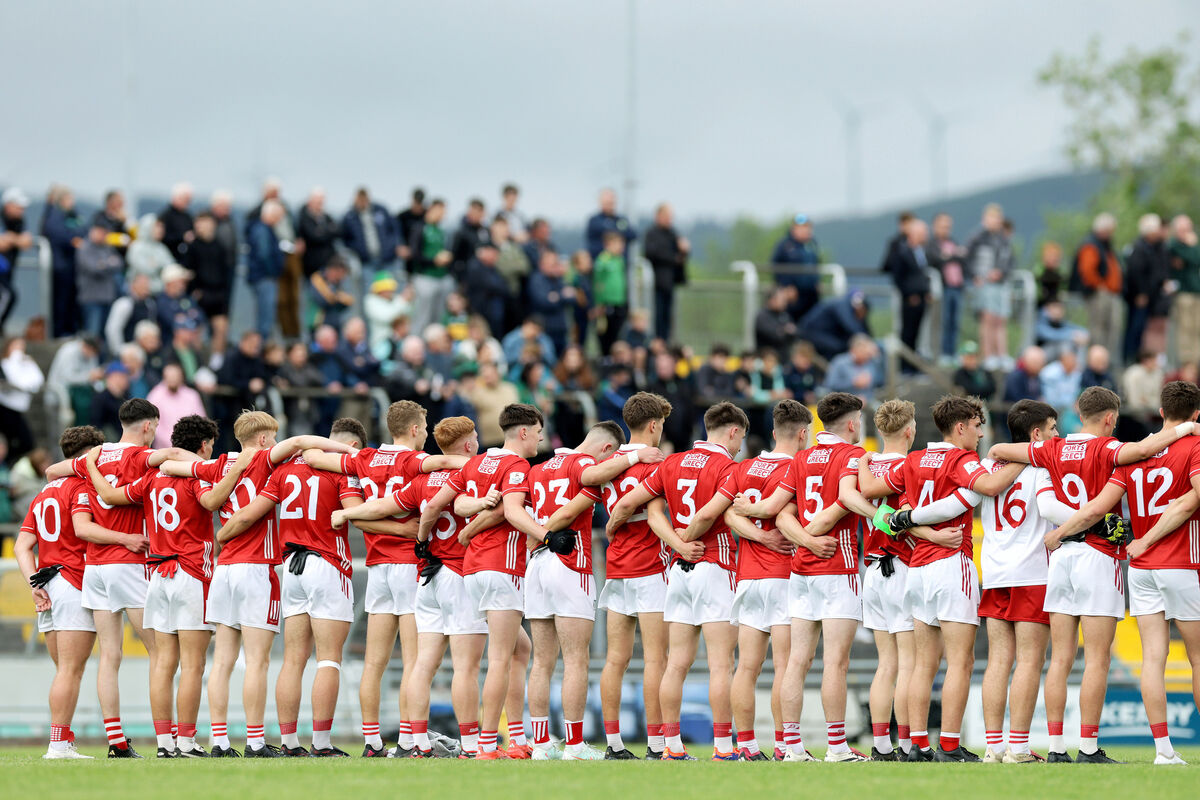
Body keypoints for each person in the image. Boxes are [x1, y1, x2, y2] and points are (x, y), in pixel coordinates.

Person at [988, 386, 1197, 763]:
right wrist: (1184, 431)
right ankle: (1087, 746)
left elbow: (1002, 450)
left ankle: (1055, 747)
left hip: (1062, 559)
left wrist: (996, 451)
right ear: (1109, 419)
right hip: (1099, 556)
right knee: (1097, 658)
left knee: (1060, 658)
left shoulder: (1052, 448)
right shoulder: (1108, 449)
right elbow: (1143, 451)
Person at [160, 411, 354, 757]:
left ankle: (218, 741)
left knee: (221, 661)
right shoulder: (266, 460)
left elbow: (170, 466)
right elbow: (297, 443)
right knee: (257, 661)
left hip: (223, 570)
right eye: (273, 437)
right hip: (256, 567)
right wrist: (345, 452)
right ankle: (254, 740)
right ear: (263, 439)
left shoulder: (220, 465)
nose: (278, 443)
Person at [301, 401, 467, 756]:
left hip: (377, 565)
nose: (425, 433)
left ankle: (373, 742)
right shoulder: (413, 461)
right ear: (412, 429)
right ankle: (410, 740)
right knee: (414, 660)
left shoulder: (365, 458)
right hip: (409, 565)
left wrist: (344, 449)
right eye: (423, 426)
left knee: (374, 663)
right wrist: (482, 464)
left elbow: (314, 457)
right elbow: (439, 462)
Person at [867, 395, 1024, 761]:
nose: (981, 434)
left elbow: (873, 492)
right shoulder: (961, 458)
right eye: (977, 426)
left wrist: (863, 464)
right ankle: (950, 745)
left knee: (923, 663)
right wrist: (1024, 457)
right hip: (952, 563)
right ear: (961, 426)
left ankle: (919, 744)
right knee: (960, 661)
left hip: (916, 568)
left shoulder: (915, 459)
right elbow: (988, 487)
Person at [331, 416, 497, 758]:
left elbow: (380, 505)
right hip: (447, 570)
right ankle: (459, 744)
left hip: (413, 573)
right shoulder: (450, 470)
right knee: (452, 665)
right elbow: (459, 502)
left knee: (399, 664)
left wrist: (347, 515)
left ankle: (396, 742)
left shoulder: (416, 478)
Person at [83, 415, 247, 758]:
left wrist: (91, 467)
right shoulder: (197, 474)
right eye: (211, 446)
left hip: (158, 574)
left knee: (162, 663)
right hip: (189, 572)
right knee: (192, 664)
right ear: (203, 445)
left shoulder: (150, 477)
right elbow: (211, 501)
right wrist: (233, 471)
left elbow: (110, 495)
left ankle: (163, 743)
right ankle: (186, 741)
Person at [216, 419, 368, 757]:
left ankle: (288, 741)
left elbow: (249, 514)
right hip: (327, 564)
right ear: (351, 447)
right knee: (329, 659)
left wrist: (222, 536)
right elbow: (357, 514)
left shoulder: (285, 471)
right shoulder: (343, 471)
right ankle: (323, 743)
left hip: (292, 567)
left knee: (294, 659)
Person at [606, 402, 749, 760]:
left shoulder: (672, 462)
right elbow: (708, 514)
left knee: (675, 664)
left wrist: (675, 545)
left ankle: (670, 746)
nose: (740, 446)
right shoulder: (728, 467)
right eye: (741, 439)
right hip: (713, 562)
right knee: (721, 664)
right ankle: (723, 748)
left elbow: (638, 507)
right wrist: (689, 541)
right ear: (732, 432)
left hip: (677, 570)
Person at [735, 393, 870, 762]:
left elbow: (778, 514)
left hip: (799, 569)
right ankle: (838, 747)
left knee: (796, 661)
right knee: (835, 663)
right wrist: (880, 515)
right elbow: (847, 499)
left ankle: (791, 746)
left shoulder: (802, 458)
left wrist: (803, 538)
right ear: (853, 423)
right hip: (837, 564)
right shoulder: (852, 456)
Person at [416, 403, 550, 758]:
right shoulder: (517, 465)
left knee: (520, 649)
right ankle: (488, 744)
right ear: (523, 432)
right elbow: (512, 511)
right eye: (537, 432)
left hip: (472, 569)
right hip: (500, 566)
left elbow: (453, 505)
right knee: (500, 659)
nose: (540, 438)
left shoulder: (477, 463)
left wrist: (473, 508)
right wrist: (546, 536)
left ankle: (517, 738)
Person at [684, 400, 811, 761]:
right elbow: (774, 514)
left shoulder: (745, 466)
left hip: (747, 578)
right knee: (786, 666)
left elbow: (728, 514)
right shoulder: (798, 468)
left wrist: (755, 537)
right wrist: (771, 537)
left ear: (773, 433)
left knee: (747, 668)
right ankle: (787, 746)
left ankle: (748, 747)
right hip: (784, 576)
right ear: (803, 434)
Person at [525, 422, 645, 760]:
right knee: (576, 659)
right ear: (607, 451)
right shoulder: (584, 466)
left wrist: (541, 534)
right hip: (570, 561)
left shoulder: (540, 468)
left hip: (537, 562)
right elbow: (587, 487)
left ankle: (540, 744)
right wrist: (635, 456)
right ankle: (574, 746)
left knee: (541, 661)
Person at [977, 401, 1070, 763]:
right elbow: (1049, 510)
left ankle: (993, 747)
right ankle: (1018, 747)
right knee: (1030, 661)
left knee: (999, 660)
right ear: (1036, 434)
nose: (1057, 435)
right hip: (1032, 573)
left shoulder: (989, 466)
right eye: (1052, 428)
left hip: (995, 572)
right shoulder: (1043, 467)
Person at [587, 393, 673, 759]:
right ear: (654, 425)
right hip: (650, 567)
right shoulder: (654, 462)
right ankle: (657, 744)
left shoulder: (609, 461)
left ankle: (614, 744)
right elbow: (652, 514)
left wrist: (615, 521)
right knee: (656, 659)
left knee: (615, 659)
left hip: (617, 566)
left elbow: (603, 493)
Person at [13, 425, 107, 758]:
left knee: (64, 670)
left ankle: (63, 740)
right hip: (73, 581)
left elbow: (22, 546)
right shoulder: (84, 486)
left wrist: (33, 584)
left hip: (49, 582)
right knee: (71, 670)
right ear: (90, 454)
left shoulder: (44, 492)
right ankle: (57, 744)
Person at [965, 204, 1015, 371]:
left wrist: (1001, 272)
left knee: (1001, 320)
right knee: (988, 319)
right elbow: (967, 258)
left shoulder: (1003, 239)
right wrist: (975, 275)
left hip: (1000, 284)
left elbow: (1010, 261)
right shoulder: (977, 237)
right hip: (985, 284)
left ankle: (1002, 354)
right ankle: (988, 355)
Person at [1071, 213, 1123, 362]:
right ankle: (1096, 360)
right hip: (1099, 294)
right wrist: (1100, 286)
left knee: (1111, 331)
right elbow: (1087, 271)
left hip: (1110, 293)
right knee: (1098, 331)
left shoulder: (1105, 246)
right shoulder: (1091, 245)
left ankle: (1105, 361)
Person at [1123, 213, 1171, 361]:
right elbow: (1136, 273)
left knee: (1143, 331)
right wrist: (1141, 293)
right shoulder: (1139, 248)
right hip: (1140, 297)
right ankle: (1130, 358)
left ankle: (1140, 358)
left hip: (1151, 297)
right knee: (1135, 330)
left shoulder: (1155, 248)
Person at [186, 213, 233, 359]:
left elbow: (226, 272)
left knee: (221, 329)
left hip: (218, 293)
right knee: (196, 331)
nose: (201, 226)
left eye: (204, 222)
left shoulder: (220, 246)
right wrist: (193, 291)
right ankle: (198, 362)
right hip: (201, 293)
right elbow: (188, 270)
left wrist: (225, 293)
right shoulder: (193, 247)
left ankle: (216, 363)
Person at [888, 219, 932, 367]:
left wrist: (927, 292)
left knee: (917, 333)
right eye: (922, 232)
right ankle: (905, 365)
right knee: (907, 333)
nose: (925, 235)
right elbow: (897, 277)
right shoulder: (902, 252)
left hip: (922, 298)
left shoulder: (921, 252)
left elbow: (923, 274)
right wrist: (908, 295)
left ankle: (914, 363)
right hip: (910, 299)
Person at [407, 199, 455, 335]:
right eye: (440, 211)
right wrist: (433, 261)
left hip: (441, 277)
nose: (442, 215)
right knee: (422, 316)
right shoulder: (420, 228)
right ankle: (416, 343)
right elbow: (414, 254)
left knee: (439, 316)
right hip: (425, 277)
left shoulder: (441, 230)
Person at [42, 185, 84, 338]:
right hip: (60, 266)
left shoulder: (71, 215)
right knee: (60, 302)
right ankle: (58, 333)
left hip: (71, 266)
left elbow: (82, 229)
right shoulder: (54, 215)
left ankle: (69, 331)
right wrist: (72, 239)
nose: (72, 202)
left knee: (71, 302)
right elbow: (57, 233)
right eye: (69, 199)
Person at [643, 203, 689, 340]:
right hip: (656, 283)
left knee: (668, 317)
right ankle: (657, 341)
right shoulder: (652, 233)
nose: (670, 220)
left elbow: (681, 256)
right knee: (657, 316)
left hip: (670, 282)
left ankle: (666, 341)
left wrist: (684, 250)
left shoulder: (673, 233)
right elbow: (651, 253)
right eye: (667, 216)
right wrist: (673, 258)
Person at [928, 213, 967, 364]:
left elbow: (961, 258)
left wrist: (950, 256)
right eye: (943, 226)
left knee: (954, 322)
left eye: (948, 226)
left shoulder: (952, 242)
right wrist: (954, 256)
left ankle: (952, 352)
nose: (946, 229)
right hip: (942, 288)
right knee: (943, 321)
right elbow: (936, 259)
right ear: (935, 226)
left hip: (956, 286)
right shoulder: (932, 244)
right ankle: (942, 353)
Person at [75, 222, 124, 337]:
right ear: (93, 231)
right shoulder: (85, 248)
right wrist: (109, 263)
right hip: (91, 298)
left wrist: (103, 264)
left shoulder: (107, 247)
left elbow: (119, 263)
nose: (103, 235)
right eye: (101, 232)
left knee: (106, 334)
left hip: (108, 298)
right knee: (92, 334)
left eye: (105, 233)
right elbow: (94, 268)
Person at [0, 337, 44, 462]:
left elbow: (37, 381)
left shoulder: (26, 362)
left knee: (25, 443)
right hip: (5, 407)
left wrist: (27, 364)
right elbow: (15, 381)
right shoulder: (5, 363)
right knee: (17, 441)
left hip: (19, 408)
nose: (19, 349)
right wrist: (16, 361)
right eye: (16, 346)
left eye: (21, 346)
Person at [246, 201, 285, 339]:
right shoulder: (262, 230)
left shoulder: (265, 229)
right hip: (264, 277)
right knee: (265, 319)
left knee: (266, 317)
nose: (280, 219)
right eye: (279, 216)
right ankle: (261, 348)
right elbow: (264, 254)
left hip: (263, 276)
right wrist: (273, 271)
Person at [527, 250, 575, 358]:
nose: (555, 266)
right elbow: (544, 301)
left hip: (561, 328)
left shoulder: (558, 279)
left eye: (556, 263)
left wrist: (557, 296)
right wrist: (562, 295)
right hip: (545, 329)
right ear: (542, 264)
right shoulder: (537, 279)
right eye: (552, 263)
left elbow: (572, 298)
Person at [797, 290, 870, 362]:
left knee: (843, 344)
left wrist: (869, 341)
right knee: (842, 347)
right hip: (810, 331)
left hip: (823, 333)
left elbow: (864, 329)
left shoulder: (854, 310)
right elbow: (850, 325)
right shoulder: (842, 304)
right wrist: (868, 342)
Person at [146, 364, 206, 448]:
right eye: (170, 376)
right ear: (164, 377)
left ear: (181, 377)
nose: (173, 379)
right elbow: (153, 424)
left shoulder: (192, 395)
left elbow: (201, 420)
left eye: (175, 376)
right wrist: (173, 442)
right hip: (164, 450)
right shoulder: (155, 396)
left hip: (191, 447)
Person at [0, 187, 34, 331]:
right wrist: (15, 239)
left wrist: (11, 238)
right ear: (8, 205)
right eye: (19, 207)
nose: (22, 211)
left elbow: (27, 242)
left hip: (7, 270)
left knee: (9, 296)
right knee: (8, 295)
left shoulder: (19, 221)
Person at [1168, 214, 1200, 366]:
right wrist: (1193, 246)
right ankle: (1186, 362)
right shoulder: (1173, 245)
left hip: (1196, 292)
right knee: (1185, 329)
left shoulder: (1190, 246)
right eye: (1183, 229)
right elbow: (1194, 258)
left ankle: (1196, 361)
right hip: (1183, 293)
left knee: (1196, 328)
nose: (1186, 233)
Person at [593, 231, 629, 355]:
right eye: (617, 243)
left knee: (618, 334)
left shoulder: (620, 260)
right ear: (608, 244)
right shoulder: (603, 260)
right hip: (606, 303)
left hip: (620, 301)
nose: (621, 247)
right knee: (606, 335)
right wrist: (599, 303)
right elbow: (598, 283)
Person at [823, 334, 883, 403]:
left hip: (867, 403)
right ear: (854, 350)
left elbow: (878, 384)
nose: (867, 356)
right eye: (864, 352)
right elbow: (829, 385)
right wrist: (853, 383)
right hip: (843, 404)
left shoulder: (870, 363)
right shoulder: (839, 362)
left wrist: (866, 398)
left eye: (868, 353)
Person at [297, 188, 340, 279]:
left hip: (327, 262)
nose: (320, 205)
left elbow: (337, 231)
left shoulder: (325, 216)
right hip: (311, 264)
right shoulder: (304, 217)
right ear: (310, 201)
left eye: (322, 202)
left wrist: (322, 231)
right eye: (318, 202)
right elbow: (314, 236)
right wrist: (328, 231)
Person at [307, 255, 356, 331]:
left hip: (335, 323)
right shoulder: (317, 278)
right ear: (332, 270)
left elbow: (349, 300)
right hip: (317, 324)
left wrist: (337, 297)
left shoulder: (338, 283)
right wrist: (338, 297)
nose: (341, 277)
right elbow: (325, 300)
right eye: (340, 273)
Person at [585, 188, 636, 261]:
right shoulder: (594, 220)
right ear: (601, 203)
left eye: (612, 203)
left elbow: (632, 235)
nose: (610, 205)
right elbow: (606, 232)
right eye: (607, 203)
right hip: (601, 266)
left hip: (621, 264)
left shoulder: (621, 219)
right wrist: (619, 230)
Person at [126, 216, 174, 291]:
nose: (160, 230)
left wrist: (155, 264)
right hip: (138, 291)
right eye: (157, 226)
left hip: (161, 290)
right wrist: (159, 266)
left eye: (161, 227)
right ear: (147, 227)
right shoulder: (136, 247)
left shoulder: (161, 248)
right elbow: (145, 269)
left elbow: (170, 267)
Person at [450, 199, 492, 283]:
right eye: (473, 211)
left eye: (478, 211)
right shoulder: (461, 232)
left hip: (485, 276)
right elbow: (454, 258)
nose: (474, 214)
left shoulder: (486, 231)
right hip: (466, 276)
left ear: (483, 213)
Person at [755, 287, 798, 355]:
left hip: (784, 359)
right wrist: (785, 331)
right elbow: (774, 335)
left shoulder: (784, 315)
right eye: (782, 299)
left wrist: (786, 331)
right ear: (772, 299)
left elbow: (795, 333)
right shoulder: (762, 316)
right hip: (766, 359)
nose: (785, 302)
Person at [1040, 347, 1083, 414]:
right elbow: (1051, 399)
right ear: (1062, 360)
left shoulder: (1076, 374)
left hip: (1069, 410)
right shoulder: (1050, 373)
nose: (1074, 363)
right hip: (1050, 409)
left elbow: (1075, 393)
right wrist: (1071, 404)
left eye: (1074, 361)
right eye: (1071, 361)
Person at [158, 183, 194, 261]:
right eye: (185, 199)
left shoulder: (188, 216)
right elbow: (162, 237)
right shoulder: (165, 216)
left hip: (185, 257)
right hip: (168, 255)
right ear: (176, 197)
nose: (188, 203)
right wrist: (182, 237)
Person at [395, 188, 426, 262]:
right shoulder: (403, 216)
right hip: (404, 251)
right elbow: (396, 233)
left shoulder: (426, 215)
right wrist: (400, 245)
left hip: (420, 253)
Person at [1036, 241, 1065, 308]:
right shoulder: (1039, 272)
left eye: (1056, 258)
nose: (1054, 260)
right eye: (1052, 257)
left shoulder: (1060, 273)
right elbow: (1038, 294)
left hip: (1057, 307)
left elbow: (1063, 291)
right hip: (1042, 307)